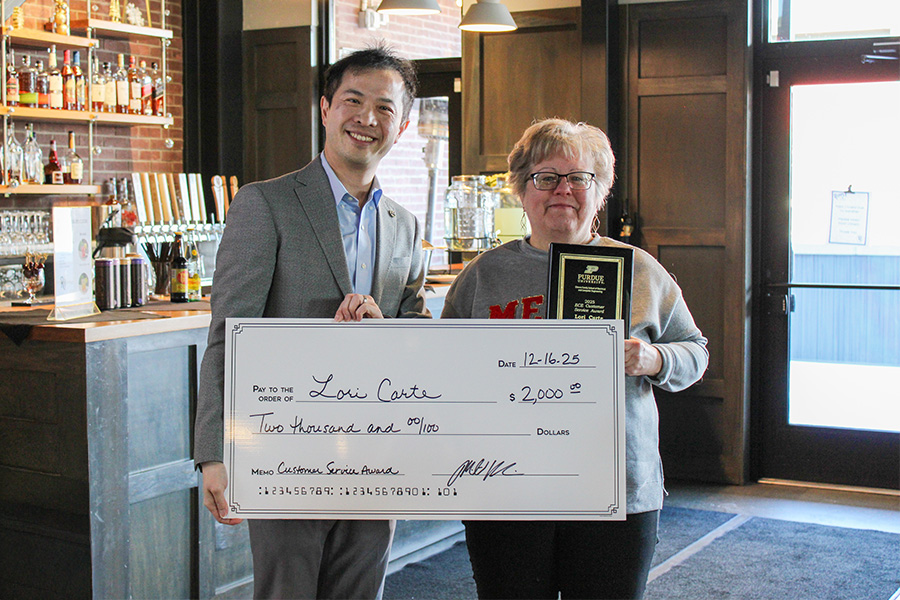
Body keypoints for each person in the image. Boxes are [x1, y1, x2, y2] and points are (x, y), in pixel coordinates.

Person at [194, 44, 431, 599]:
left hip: (377, 450)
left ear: (401, 126)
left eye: (385, 108)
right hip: (284, 446)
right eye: (353, 100)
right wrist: (214, 453)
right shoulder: (265, 204)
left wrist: (385, 329)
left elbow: (416, 334)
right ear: (325, 109)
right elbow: (228, 336)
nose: (366, 118)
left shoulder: (404, 224)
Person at [441, 118, 709, 599]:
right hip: (506, 484)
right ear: (522, 190)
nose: (562, 189)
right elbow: (443, 369)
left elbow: (695, 351)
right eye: (546, 177)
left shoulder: (639, 270)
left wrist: (652, 359)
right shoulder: (483, 275)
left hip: (615, 487)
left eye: (579, 178)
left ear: (600, 190)